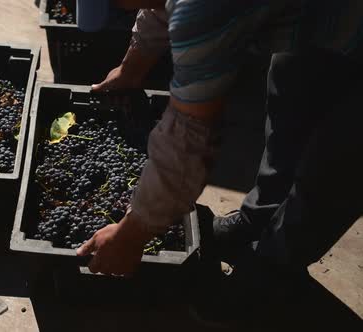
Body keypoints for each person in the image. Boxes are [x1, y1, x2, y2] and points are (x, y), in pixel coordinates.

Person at [76, 0, 363, 324]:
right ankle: (257, 221)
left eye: (117, 6)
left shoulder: (202, 9)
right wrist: (131, 71)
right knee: (290, 102)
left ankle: (270, 274)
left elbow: (189, 139)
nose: (123, 12)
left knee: (333, 166)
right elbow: (158, 6)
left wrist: (130, 236)